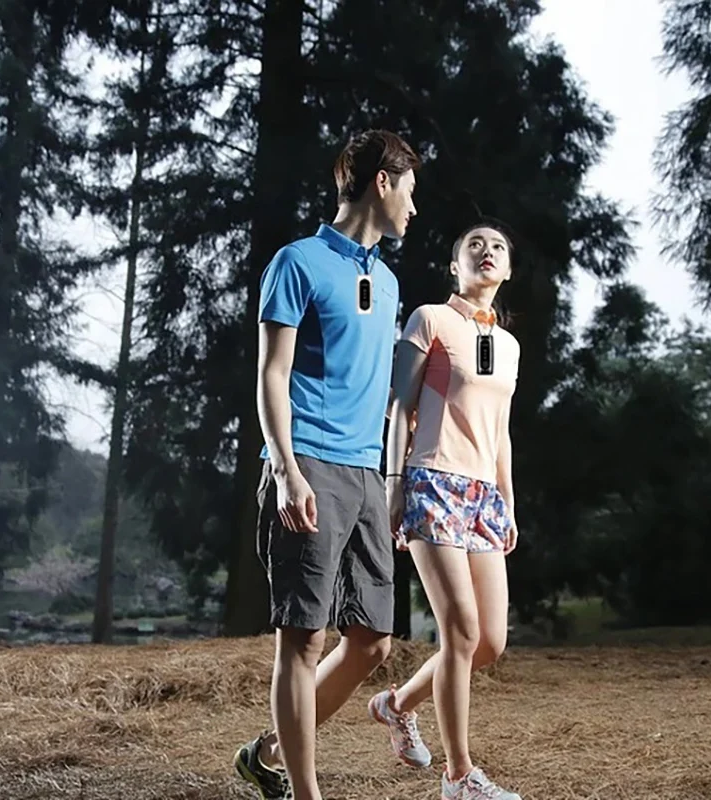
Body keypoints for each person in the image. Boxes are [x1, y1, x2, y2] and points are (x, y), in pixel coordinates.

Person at [232, 130, 420, 800]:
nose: (413, 208)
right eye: (409, 192)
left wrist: (393, 477)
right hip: (308, 462)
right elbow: (271, 374)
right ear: (382, 182)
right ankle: (304, 792)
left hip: (366, 472)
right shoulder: (297, 263)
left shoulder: (388, 282)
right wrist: (286, 469)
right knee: (303, 638)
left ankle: (267, 752)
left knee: (372, 641)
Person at [368, 222, 522, 800]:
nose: (487, 252)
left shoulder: (508, 346)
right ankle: (459, 777)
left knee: (489, 643)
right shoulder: (429, 319)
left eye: (498, 247)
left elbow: (501, 432)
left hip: (484, 496)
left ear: (508, 270)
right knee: (460, 631)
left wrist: (507, 501)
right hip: (431, 481)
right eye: (474, 246)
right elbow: (399, 408)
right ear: (456, 266)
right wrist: (394, 484)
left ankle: (395, 705)